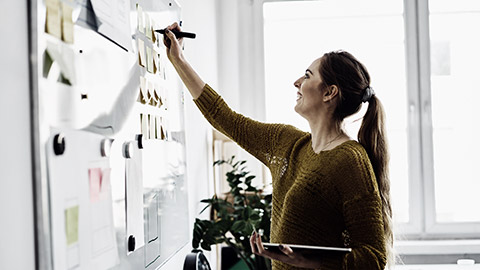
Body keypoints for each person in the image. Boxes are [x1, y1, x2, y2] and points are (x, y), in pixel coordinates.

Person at [163, 22, 393, 270]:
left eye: (307, 76)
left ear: (329, 93)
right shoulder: (287, 142)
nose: (297, 82)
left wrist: (305, 259)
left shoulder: (350, 160)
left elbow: (374, 259)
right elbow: (224, 118)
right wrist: (179, 61)